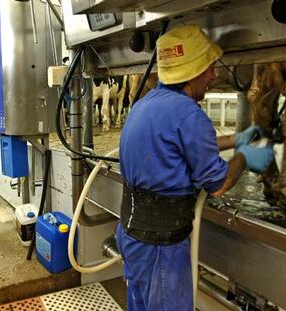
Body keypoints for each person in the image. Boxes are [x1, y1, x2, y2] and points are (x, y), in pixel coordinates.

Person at [115, 24, 274, 311]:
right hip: (162, 247)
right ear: (190, 71)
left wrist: (235, 138)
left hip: (132, 235)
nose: (213, 76)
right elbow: (219, 185)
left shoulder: (146, 104)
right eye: (208, 68)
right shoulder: (189, 113)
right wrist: (244, 157)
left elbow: (182, 141)